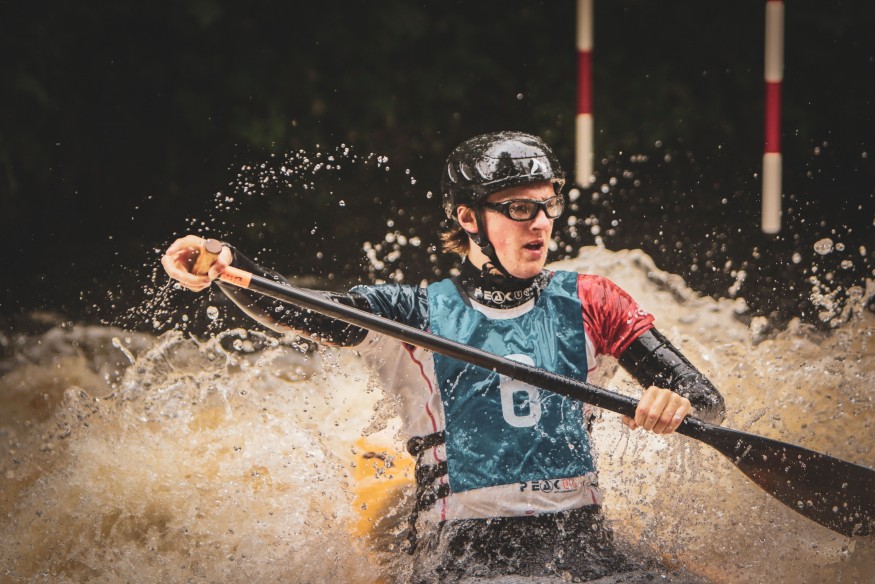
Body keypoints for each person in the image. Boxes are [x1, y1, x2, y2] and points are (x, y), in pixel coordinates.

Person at [162, 131, 726, 582]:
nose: (540, 222)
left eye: (548, 204)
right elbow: (306, 310)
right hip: (463, 556)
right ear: (466, 218)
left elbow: (706, 401)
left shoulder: (593, 300)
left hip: (583, 542)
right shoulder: (414, 315)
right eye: (518, 208)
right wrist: (224, 263)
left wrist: (671, 404)